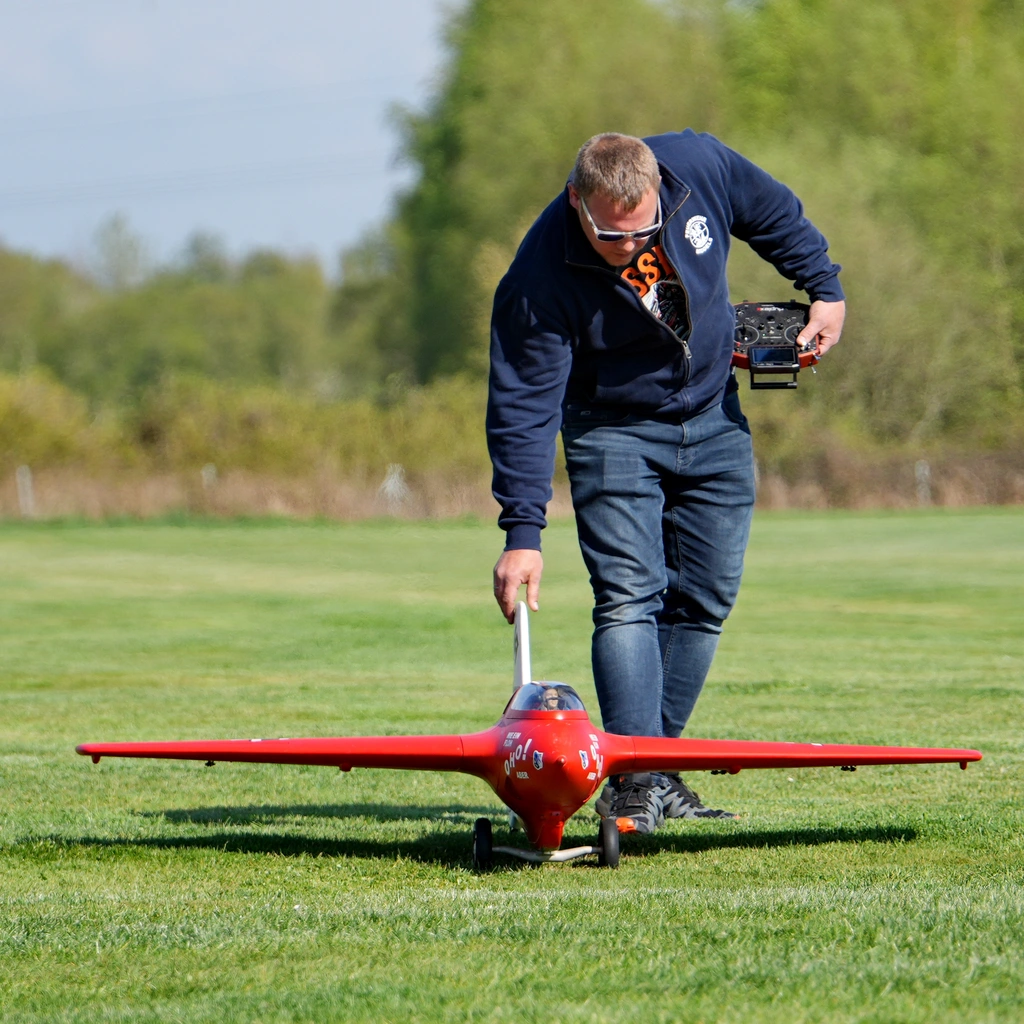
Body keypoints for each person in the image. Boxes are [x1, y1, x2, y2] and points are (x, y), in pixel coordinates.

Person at [487, 131, 845, 833]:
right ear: (576, 200)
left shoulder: (699, 166)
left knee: (706, 599)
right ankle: (633, 785)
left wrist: (823, 289)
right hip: (612, 429)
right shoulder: (537, 278)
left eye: (644, 230)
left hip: (715, 416)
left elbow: (772, 211)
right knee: (629, 598)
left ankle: (653, 769)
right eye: (610, 236)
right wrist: (522, 532)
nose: (629, 246)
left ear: (663, 194)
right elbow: (522, 406)